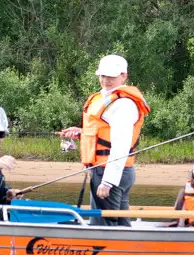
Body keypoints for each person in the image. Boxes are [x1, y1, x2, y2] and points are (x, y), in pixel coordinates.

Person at [59, 54, 150, 226]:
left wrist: (108, 181)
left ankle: (110, 252)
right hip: (108, 171)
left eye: (111, 76)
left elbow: (121, 146)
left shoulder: (123, 104)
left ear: (124, 76)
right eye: (103, 75)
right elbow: (102, 133)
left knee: (104, 226)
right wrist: (81, 132)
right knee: (119, 222)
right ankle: (126, 250)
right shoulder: (105, 98)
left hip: (111, 173)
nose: (106, 80)